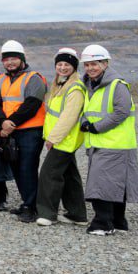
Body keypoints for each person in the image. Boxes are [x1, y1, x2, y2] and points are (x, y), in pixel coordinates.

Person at [78, 45, 138, 236]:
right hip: (102, 143)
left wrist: (96, 127)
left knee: (99, 185)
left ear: (105, 64)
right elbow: (90, 110)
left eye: (95, 64)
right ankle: (118, 222)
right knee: (113, 184)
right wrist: (85, 122)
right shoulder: (90, 85)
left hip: (115, 143)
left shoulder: (117, 85)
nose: (90, 68)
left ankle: (102, 223)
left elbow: (121, 112)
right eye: (87, 64)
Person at [0, 40, 47, 221]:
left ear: (22, 59)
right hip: (11, 131)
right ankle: (27, 202)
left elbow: (32, 105)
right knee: (16, 167)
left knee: (27, 168)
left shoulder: (34, 78)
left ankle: (31, 207)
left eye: (14, 59)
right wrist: (1, 123)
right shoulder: (1, 79)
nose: (10, 63)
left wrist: (10, 123)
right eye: (6, 60)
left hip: (31, 131)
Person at [34, 48, 88, 227]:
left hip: (64, 139)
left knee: (49, 175)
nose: (63, 68)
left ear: (74, 67)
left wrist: (53, 138)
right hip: (63, 139)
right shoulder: (59, 84)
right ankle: (77, 214)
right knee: (70, 176)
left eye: (67, 65)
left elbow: (69, 117)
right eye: (59, 64)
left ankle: (47, 214)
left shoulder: (75, 88)